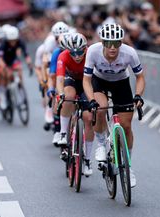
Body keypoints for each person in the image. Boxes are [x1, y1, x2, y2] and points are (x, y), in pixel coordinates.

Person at [83, 23, 145, 187]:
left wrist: (138, 95)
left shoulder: (129, 53)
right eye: (108, 43)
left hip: (121, 83)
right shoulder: (93, 51)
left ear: (121, 43)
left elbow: (140, 77)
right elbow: (86, 80)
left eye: (117, 43)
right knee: (101, 108)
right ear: (102, 42)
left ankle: (128, 167)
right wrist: (91, 100)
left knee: (126, 126)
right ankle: (102, 144)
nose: (112, 47)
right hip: (99, 82)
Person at [56, 33, 94, 176]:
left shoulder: (91, 53)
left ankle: (88, 160)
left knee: (89, 118)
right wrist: (60, 94)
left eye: (80, 52)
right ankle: (63, 133)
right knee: (68, 97)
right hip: (70, 80)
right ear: (68, 51)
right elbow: (60, 80)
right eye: (73, 52)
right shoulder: (63, 56)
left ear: (86, 49)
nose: (77, 56)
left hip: (87, 83)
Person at [0, 25, 32, 110]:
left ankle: (21, 94)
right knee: (6, 75)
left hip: (13, 60)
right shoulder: (4, 43)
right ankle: (3, 96)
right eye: (10, 41)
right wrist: (4, 67)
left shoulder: (20, 41)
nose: (13, 42)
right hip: (4, 61)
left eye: (14, 40)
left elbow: (26, 55)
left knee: (19, 71)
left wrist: (29, 64)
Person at [47, 33, 70, 146]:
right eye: (63, 49)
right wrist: (51, 88)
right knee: (58, 98)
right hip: (61, 76)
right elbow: (52, 75)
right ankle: (57, 131)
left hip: (74, 77)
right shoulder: (57, 53)